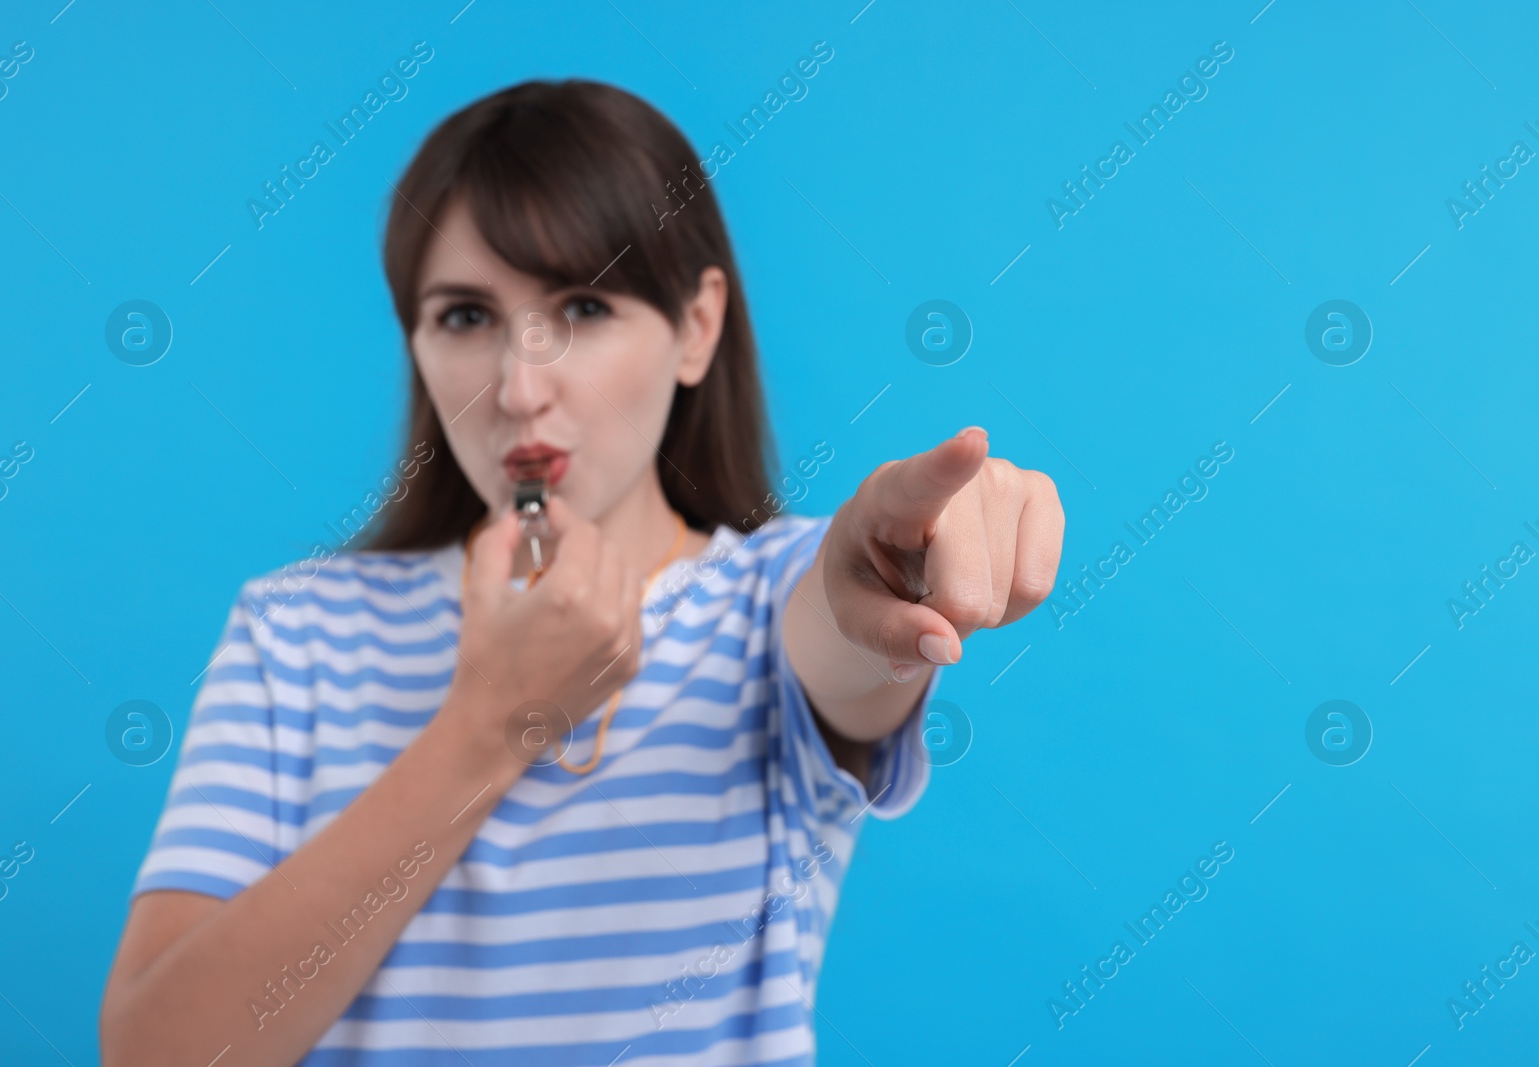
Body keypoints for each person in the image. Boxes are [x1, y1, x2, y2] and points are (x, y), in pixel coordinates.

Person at [98, 79, 1063, 1067]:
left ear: (695, 326)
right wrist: (488, 723)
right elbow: (157, 1052)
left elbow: (837, 627)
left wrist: (875, 569)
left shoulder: (764, 602)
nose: (519, 388)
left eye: (586, 306)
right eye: (465, 316)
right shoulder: (294, 632)